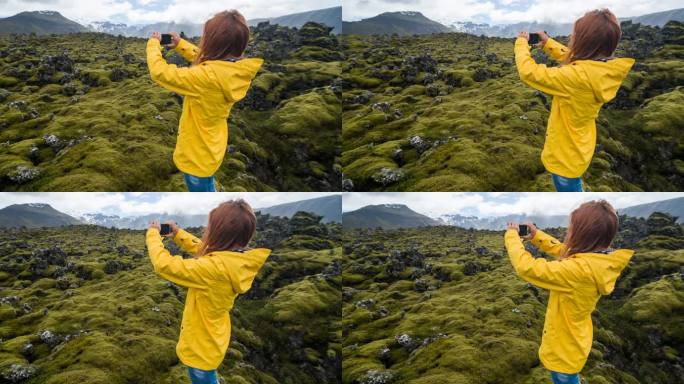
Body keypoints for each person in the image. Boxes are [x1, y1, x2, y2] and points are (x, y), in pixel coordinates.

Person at [504, 200, 634, 384]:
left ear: (581, 235)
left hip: (563, 352)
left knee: (565, 379)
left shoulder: (578, 271)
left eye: (571, 228)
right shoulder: (599, 260)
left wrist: (512, 237)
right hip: (575, 340)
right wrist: (536, 236)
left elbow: (527, 268)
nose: (568, 232)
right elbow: (566, 251)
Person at [146, 199, 271, 384]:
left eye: (210, 226)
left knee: (205, 379)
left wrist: (153, 235)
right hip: (214, 337)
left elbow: (164, 265)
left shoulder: (213, 269)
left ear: (218, 233)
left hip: (200, 349)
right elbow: (208, 251)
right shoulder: (238, 260)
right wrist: (178, 235)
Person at [514, 9, 634, 192]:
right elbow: (581, 62)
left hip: (564, 157)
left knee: (571, 191)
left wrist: (521, 44)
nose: (572, 37)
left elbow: (529, 73)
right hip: (580, 145)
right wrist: (548, 44)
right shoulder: (606, 68)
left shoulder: (576, 78)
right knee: (574, 185)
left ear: (582, 42)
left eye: (575, 34)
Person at [147, 10, 263, 192]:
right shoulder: (237, 69)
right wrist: (180, 45)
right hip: (213, 146)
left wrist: (153, 45)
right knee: (207, 184)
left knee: (202, 191)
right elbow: (212, 62)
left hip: (196, 156)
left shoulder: (206, 78)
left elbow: (160, 73)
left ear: (211, 43)